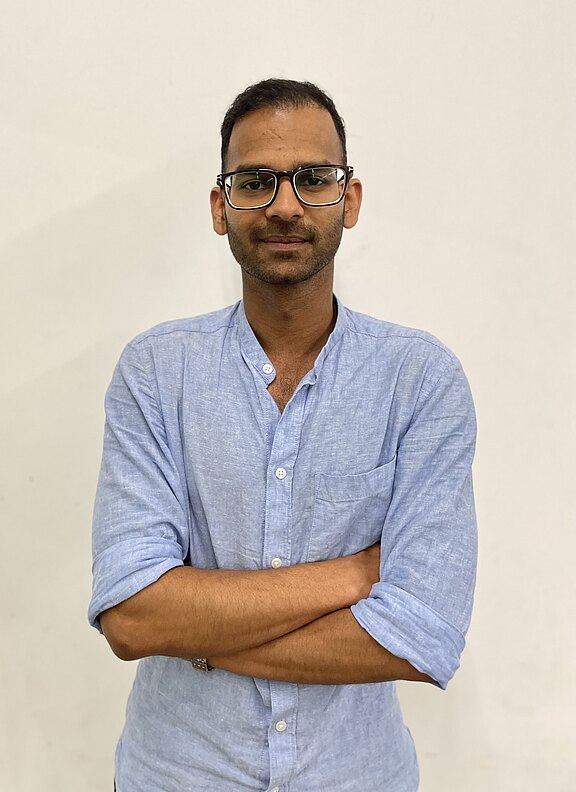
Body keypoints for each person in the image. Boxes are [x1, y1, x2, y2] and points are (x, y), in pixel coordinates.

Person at [89, 78, 477, 792]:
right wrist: (353, 576)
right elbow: (134, 619)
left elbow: (422, 634)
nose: (285, 205)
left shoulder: (419, 379)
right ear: (221, 207)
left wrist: (199, 636)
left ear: (349, 200)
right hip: (177, 775)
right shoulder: (157, 372)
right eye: (256, 181)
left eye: (313, 178)